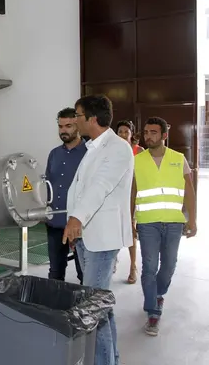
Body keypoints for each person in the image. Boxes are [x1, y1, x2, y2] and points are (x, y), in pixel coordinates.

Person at [63, 94, 134, 365]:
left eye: (77, 117)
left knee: (94, 309)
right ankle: (110, 358)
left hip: (102, 240)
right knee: (101, 306)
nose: (74, 122)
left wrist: (76, 219)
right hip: (86, 237)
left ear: (92, 119)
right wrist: (74, 225)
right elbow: (79, 190)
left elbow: (100, 187)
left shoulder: (118, 148)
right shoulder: (93, 147)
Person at [131, 117, 197, 337]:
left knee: (168, 265)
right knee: (149, 266)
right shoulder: (138, 160)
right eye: (146, 132)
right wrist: (130, 220)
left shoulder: (179, 159)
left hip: (173, 223)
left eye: (153, 132)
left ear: (164, 136)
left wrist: (193, 220)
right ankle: (152, 311)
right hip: (147, 222)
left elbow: (189, 191)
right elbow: (132, 192)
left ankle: (159, 293)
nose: (148, 136)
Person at [44, 107, 86, 284]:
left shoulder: (89, 153)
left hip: (79, 225)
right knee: (55, 273)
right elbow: (47, 184)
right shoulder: (54, 154)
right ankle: (54, 309)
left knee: (84, 273)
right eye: (60, 126)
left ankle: (85, 310)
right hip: (55, 222)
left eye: (68, 126)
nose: (63, 130)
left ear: (77, 125)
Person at [115, 120, 144, 284]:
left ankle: (133, 266)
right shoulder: (113, 150)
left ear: (132, 134)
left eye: (126, 131)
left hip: (133, 196)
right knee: (114, 228)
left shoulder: (138, 151)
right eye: (120, 131)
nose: (123, 134)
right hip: (116, 196)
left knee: (130, 230)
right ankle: (112, 260)